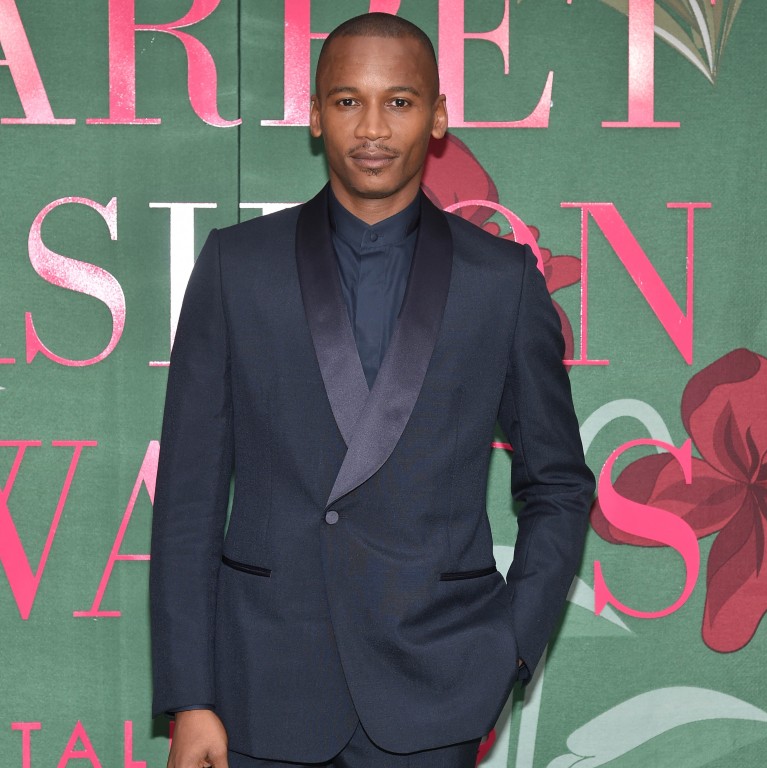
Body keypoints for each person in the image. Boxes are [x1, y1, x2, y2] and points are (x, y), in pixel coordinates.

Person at [150, 12, 595, 768]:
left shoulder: (502, 281)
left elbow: (558, 483)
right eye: (349, 100)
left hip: (434, 691)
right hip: (262, 691)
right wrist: (191, 698)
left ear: (439, 116)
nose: (373, 127)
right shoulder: (237, 267)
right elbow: (190, 496)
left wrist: (510, 645)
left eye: (399, 101)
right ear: (317, 115)